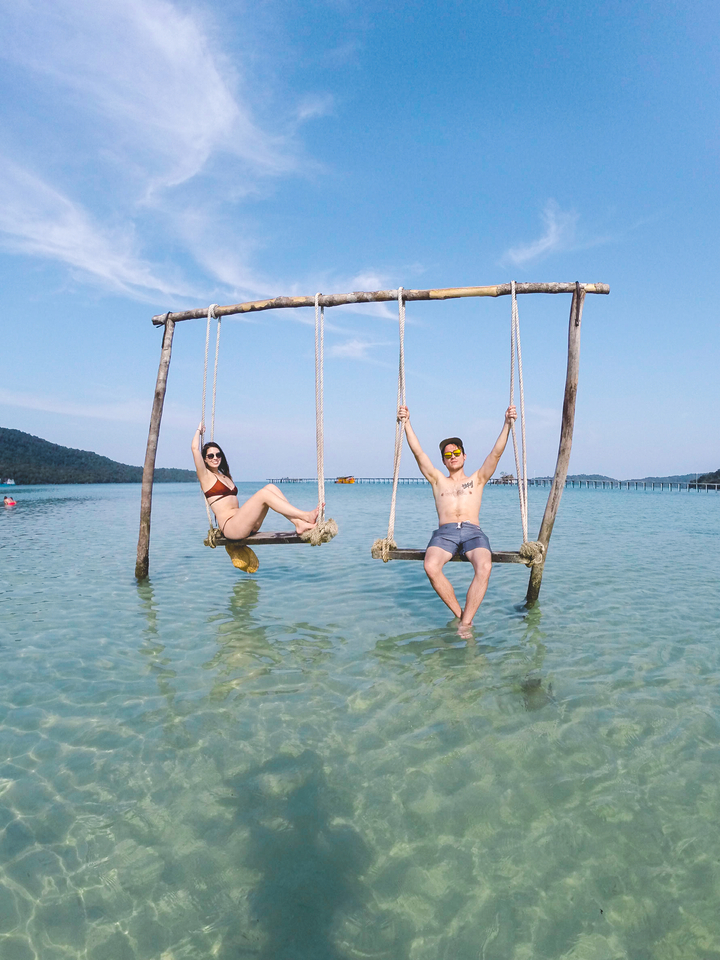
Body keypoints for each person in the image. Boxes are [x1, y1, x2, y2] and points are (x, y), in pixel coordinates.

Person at [397, 404, 517, 633]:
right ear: (443, 461)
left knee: (485, 566)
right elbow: (418, 454)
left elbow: (496, 454)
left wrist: (507, 424)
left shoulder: (478, 479)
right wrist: (407, 424)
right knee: (430, 566)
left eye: (456, 453)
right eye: (447, 455)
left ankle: (465, 624)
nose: (452, 457)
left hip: (473, 532)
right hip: (445, 533)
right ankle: (462, 616)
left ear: (464, 455)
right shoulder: (437, 480)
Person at [191, 425, 320, 540]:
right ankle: (305, 516)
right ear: (205, 460)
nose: (215, 458)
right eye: (210, 456)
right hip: (231, 528)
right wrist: (199, 430)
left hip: (245, 523)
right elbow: (195, 448)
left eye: (218, 455)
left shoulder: (225, 476)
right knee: (263, 494)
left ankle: (299, 523)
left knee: (271, 487)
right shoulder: (206, 476)